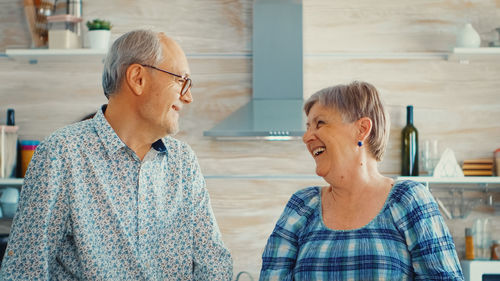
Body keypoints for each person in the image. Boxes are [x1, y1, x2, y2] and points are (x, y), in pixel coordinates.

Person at [0, 29, 232, 280]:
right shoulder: (61, 154)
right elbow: (23, 271)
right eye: (181, 80)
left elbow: (214, 264)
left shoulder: (183, 162)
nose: (188, 97)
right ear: (138, 78)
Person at [260, 81, 463, 280]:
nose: (306, 137)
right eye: (308, 126)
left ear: (362, 129)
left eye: (320, 123)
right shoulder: (303, 205)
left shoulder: (408, 199)